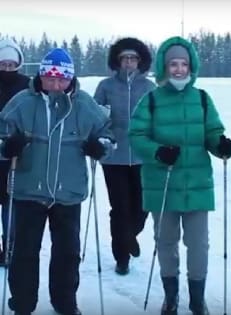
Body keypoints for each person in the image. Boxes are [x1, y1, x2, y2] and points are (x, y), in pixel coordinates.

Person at [0, 48, 114, 315]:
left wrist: (100, 146)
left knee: (67, 253)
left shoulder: (84, 104)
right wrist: (8, 147)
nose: (55, 84)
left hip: (68, 192)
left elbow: (108, 134)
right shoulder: (22, 102)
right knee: (24, 252)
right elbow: (3, 134)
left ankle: (64, 301)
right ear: (41, 76)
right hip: (29, 190)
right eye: (49, 78)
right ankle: (23, 303)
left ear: (70, 78)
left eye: (61, 79)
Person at [129, 36, 231, 315]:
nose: (178, 69)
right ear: (165, 67)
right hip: (161, 185)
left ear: (191, 67)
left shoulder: (202, 98)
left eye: (183, 64)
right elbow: (136, 135)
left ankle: (197, 299)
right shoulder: (150, 100)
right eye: (173, 64)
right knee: (166, 242)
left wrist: (220, 144)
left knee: (198, 245)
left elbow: (213, 132)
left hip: (197, 186)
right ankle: (171, 296)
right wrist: (158, 152)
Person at [93, 37, 155, 275]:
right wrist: (104, 137)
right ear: (117, 61)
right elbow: (96, 116)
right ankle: (122, 256)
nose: (129, 62)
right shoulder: (105, 86)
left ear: (141, 61)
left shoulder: (149, 88)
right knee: (119, 207)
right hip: (114, 157)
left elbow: (157, 120)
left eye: (133, 58)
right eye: (124, 58)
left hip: (142, 157)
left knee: (141, 208)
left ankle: (129, 236)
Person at [0, 39, 30, 266]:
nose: (7, 69)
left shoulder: (26, 84)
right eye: (3, 64)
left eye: (11, 64)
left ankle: (9, 248)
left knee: (11, 202)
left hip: (16, 154)